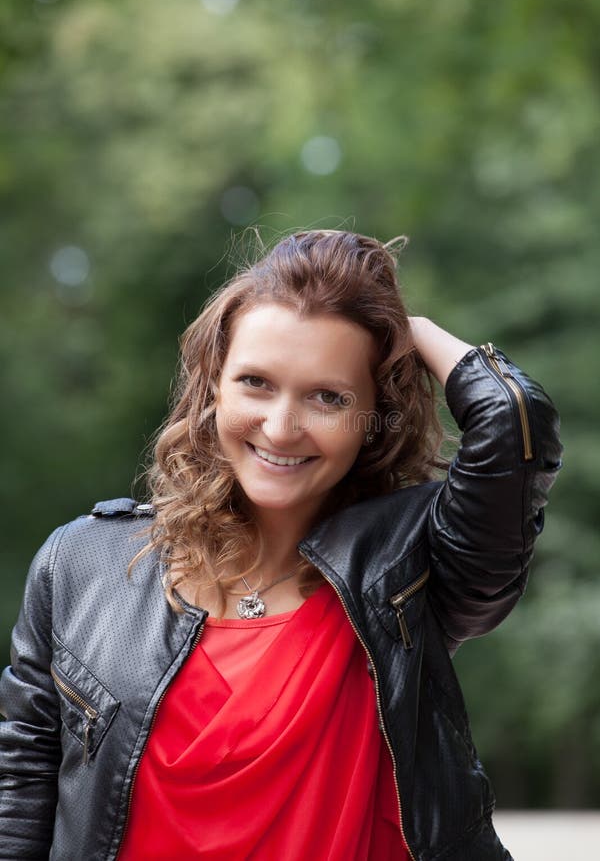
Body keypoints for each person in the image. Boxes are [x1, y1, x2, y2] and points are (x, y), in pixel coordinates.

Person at [0, 229, 561, 860]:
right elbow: (20, 796)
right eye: (256, 383)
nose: (282, 427)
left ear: (375, 419)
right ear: (212, 388)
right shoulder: (83, 564)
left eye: (329, 396)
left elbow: (515, 431)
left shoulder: (415, 563)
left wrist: (411, 329)